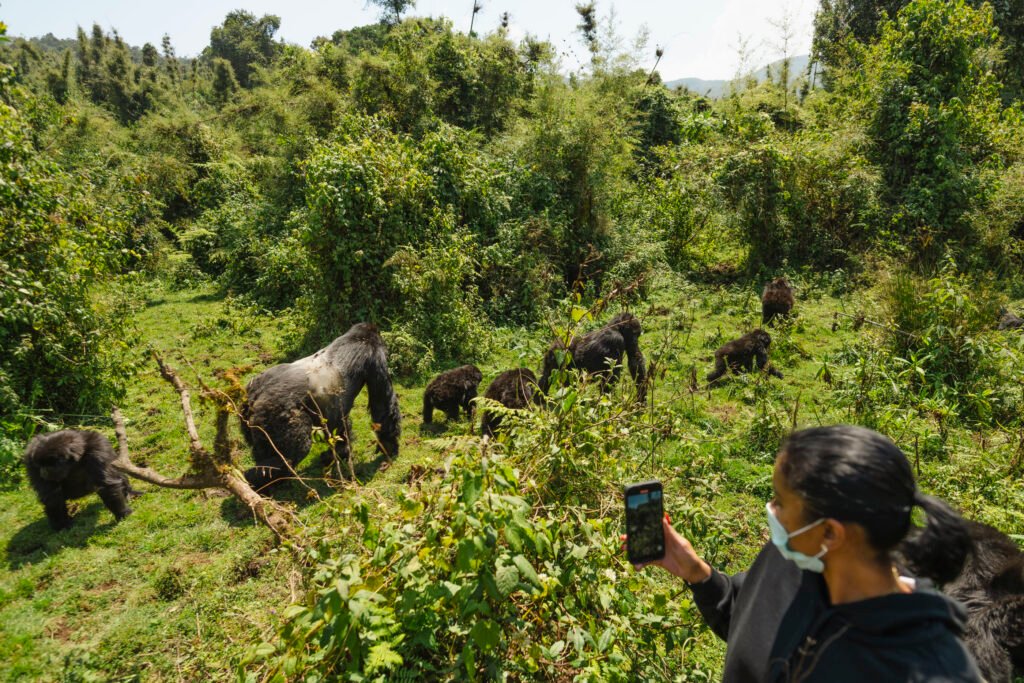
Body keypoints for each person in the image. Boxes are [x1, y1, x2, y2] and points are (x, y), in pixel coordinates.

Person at [632, 425, 982, 682]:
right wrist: (700, 575)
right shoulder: (793, 558)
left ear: (829, 532)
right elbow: (753, 625)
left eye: (781, 502)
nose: (771, 510)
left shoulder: (934, 669)